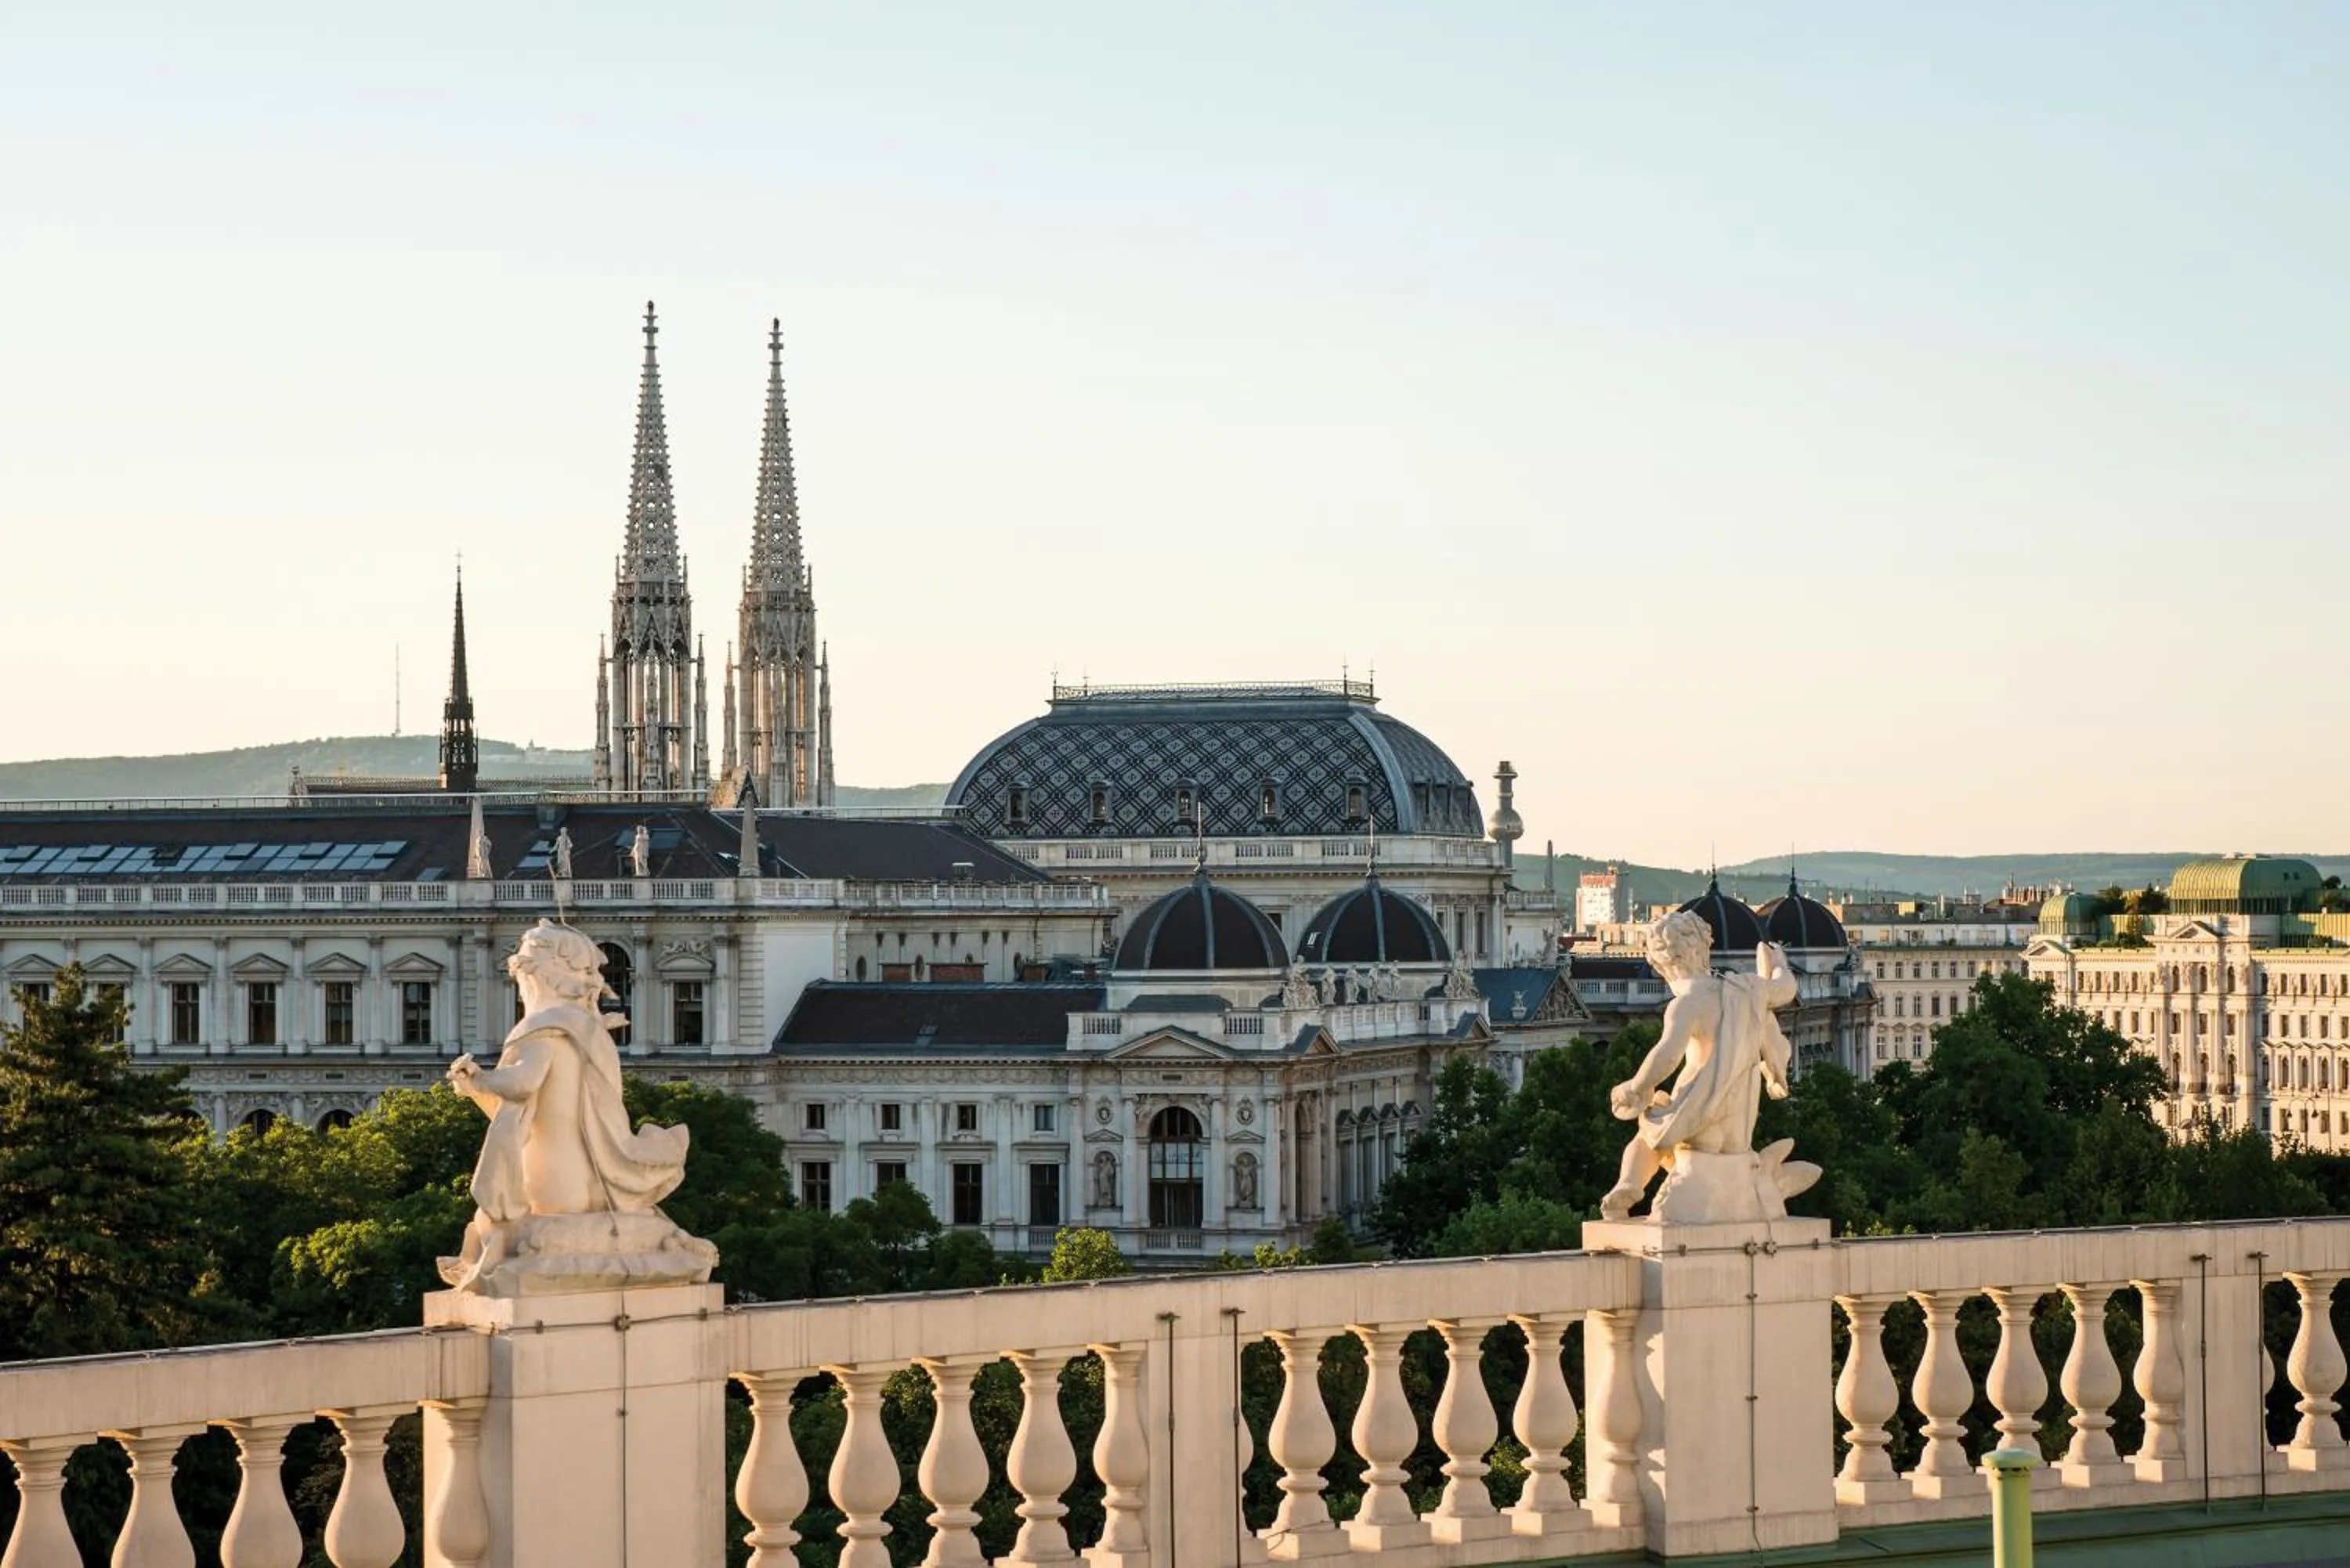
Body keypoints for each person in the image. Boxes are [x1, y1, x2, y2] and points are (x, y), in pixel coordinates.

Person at [443, 919, 700, 1292]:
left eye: (521, 976)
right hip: (586, 1177)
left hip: (552, 1180)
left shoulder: (545, 1028)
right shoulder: (582, 1028)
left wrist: (478, 1079)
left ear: (538, 977)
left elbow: (523, 1084)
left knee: (518, 1225)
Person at [1600, 910, 1799, 1222]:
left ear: (1659, 964)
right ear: (1704, 950)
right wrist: (1778, 965)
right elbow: (1786, 989)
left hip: (1696, 1118)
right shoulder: (1746, 990)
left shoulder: (1687, 1003)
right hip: (1737, 1130)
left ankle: (1629, 1186)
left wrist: (1636, 1086)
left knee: (1649, 1129)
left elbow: (1667, 1055)